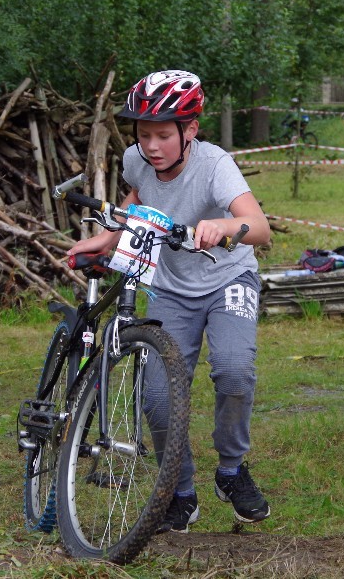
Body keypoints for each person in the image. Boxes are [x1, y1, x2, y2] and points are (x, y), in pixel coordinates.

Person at [66, 70, 273, 533]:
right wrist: (107, 238)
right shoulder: (137, 160)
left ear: (190, 130)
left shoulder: (215, 165)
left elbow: (259, 227)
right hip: (170, 288)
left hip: (228, 278)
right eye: (144, 135)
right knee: (158, 398)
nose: (152, 146)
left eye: (163, 135)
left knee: (234, 370)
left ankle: (231, 470)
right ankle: (180, 494)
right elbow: (139, 200)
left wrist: (224, 225)